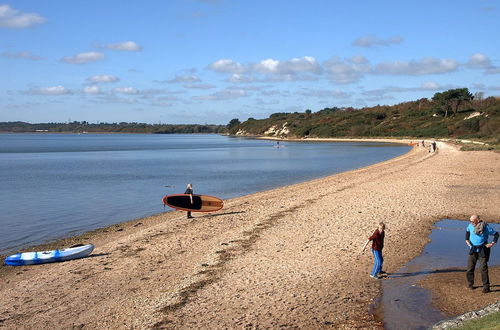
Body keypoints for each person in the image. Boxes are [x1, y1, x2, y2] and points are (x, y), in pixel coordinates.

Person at [465, 215, 498, 293]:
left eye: (473, 221)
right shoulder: (470, 226)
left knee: (483, 269)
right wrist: (467, 242)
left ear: (478, 220)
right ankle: (470, 284)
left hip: (483, 249)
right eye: (470, 221)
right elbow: (467, 234)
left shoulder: (485, 227)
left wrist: (492, 244)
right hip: (473, 249)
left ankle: (486, 287)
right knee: (470, 268)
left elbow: (496, 234)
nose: (471, 223)